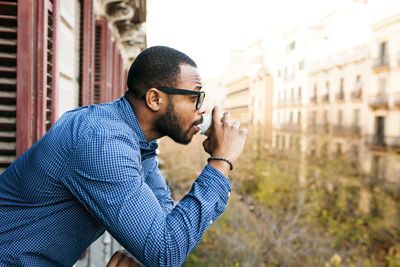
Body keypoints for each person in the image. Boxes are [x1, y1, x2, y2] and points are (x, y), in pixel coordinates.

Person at [0, 46, 247, 266]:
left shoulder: (138, 145)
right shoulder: (103, 142)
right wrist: (221, 161)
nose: (201, 108)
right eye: (194, 97)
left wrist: (147, 254)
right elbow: (167, 252)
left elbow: (165, 226)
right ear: (155, 99)